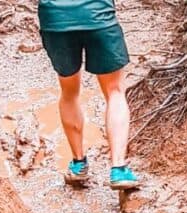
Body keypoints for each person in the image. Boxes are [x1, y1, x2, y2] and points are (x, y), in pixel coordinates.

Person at [36, 0, 140, 190]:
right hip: (98, 17)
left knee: (69, 92)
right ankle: (118, 168)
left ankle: (78, 164)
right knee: (114, 91)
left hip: (56, 21)